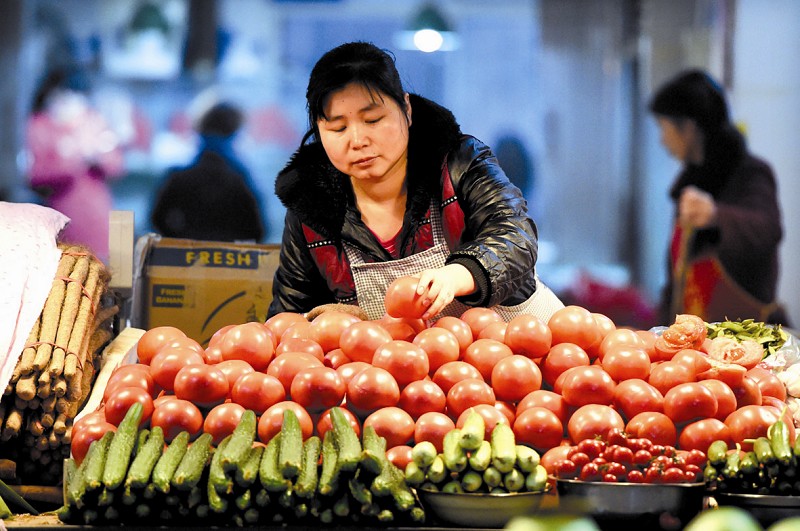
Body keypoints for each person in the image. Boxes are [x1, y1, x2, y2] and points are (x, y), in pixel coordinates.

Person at [268, 41, 563, 323]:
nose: (357, 141)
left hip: (521, 355)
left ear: (406, 110)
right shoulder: (310, 208)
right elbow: (290, 315)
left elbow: (515, 235)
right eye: (338, 127)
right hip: (405, 371)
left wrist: (458, 275)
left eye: (372, 120)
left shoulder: (459, 163)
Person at [649, 69, 789, 325]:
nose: (662, 139)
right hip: (695, 342)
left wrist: (716, 215)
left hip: (749, 338)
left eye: (664, 127)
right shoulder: (688, 185)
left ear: (688, 128)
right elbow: (676, 281)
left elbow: (768, 229)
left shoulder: (751, 173)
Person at [25, 67, 125, 263]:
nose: (69, 103)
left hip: (101, 216)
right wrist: (75, 156)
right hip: (59, 216)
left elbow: (117, 165)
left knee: (112, 279)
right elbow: (35, 174)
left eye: (75, 96)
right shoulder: (39, 125)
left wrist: (98, 154)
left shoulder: (92, 121)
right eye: (61, 97)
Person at [150, 102, 266, 243]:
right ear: (235, 133)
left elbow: (156, 220)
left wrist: (180, 241)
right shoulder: (241, 180)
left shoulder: (177, 177)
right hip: (229, 260)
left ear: (200, 129)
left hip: (183, 259)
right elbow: (258, 230)